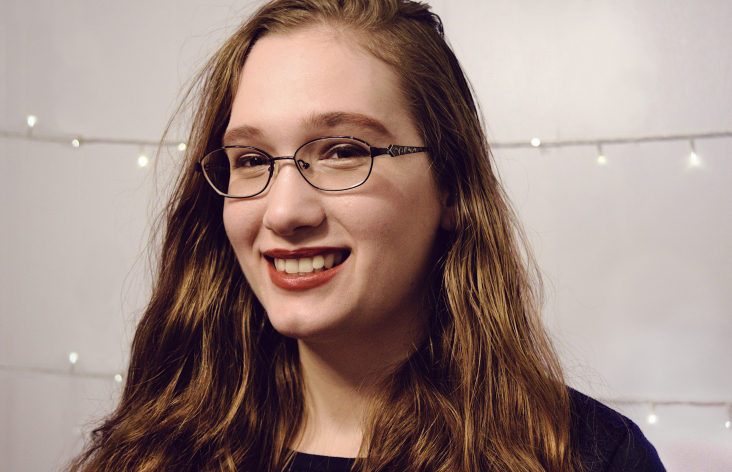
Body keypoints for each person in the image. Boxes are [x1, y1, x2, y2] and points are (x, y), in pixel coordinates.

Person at [69, 0, 666, 471]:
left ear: (451, 187)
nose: (284, 212)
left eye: (343, 151)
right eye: (251, 159)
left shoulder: (588, 458)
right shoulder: (152, 451)